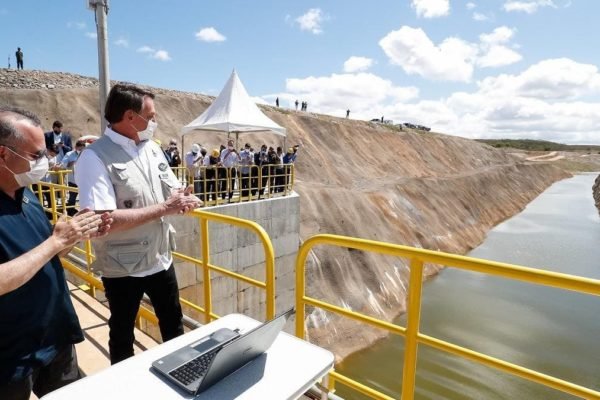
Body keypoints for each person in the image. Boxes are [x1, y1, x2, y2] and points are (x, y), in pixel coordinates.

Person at [75, 83, 201, 365]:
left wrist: (182, 198)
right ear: (131, 117)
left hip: (160, 257)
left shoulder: (152, 149)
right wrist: (164, 208)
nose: (155, 122)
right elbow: (103, 221)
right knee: (122, 334)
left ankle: (183, 376)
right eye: (151, 116)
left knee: (174, 324)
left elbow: (170, 188)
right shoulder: (94, 157)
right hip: (123, 266)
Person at [0, 106, 111, 400]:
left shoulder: (27, 192)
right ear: (3, 154)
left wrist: (76, 234)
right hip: (11, 356)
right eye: (35, 155)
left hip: (56, 337)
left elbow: (45, 256)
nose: (45, 162)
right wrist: (54, 242)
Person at [60, 140, 86, 216]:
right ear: (76, 147)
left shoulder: (86, 154)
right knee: (72, 197)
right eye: (80, 149)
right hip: (73, 180)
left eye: (83, 149)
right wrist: (71, 162)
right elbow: (63, 164)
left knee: (84, 197)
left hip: (84, 180)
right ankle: (70, 212)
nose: (81, 151)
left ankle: (84, 212)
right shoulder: (69, 154)